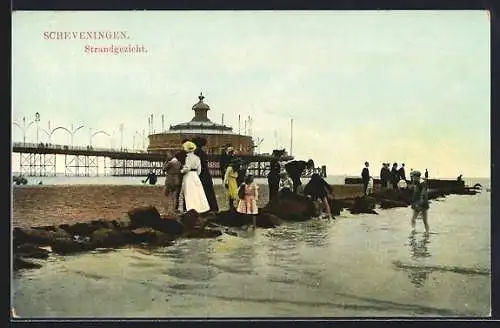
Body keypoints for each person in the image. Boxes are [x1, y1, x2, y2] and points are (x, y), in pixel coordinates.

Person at [178, 141, 210, 214]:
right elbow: (199, 170)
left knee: (189, 193)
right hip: (195, 175)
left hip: (188, 176)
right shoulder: (197, 158)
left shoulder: (188, 158)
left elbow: (187, 168)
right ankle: (201, 209)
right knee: (198, 193)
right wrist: (195, 175)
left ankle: (191, 209)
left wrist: (181, 171)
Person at [193, 136, 219, 213]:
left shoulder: (196, 152)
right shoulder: (201, 152)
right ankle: (211, 208)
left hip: (201, 175)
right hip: (205, 175)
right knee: (208, 192)